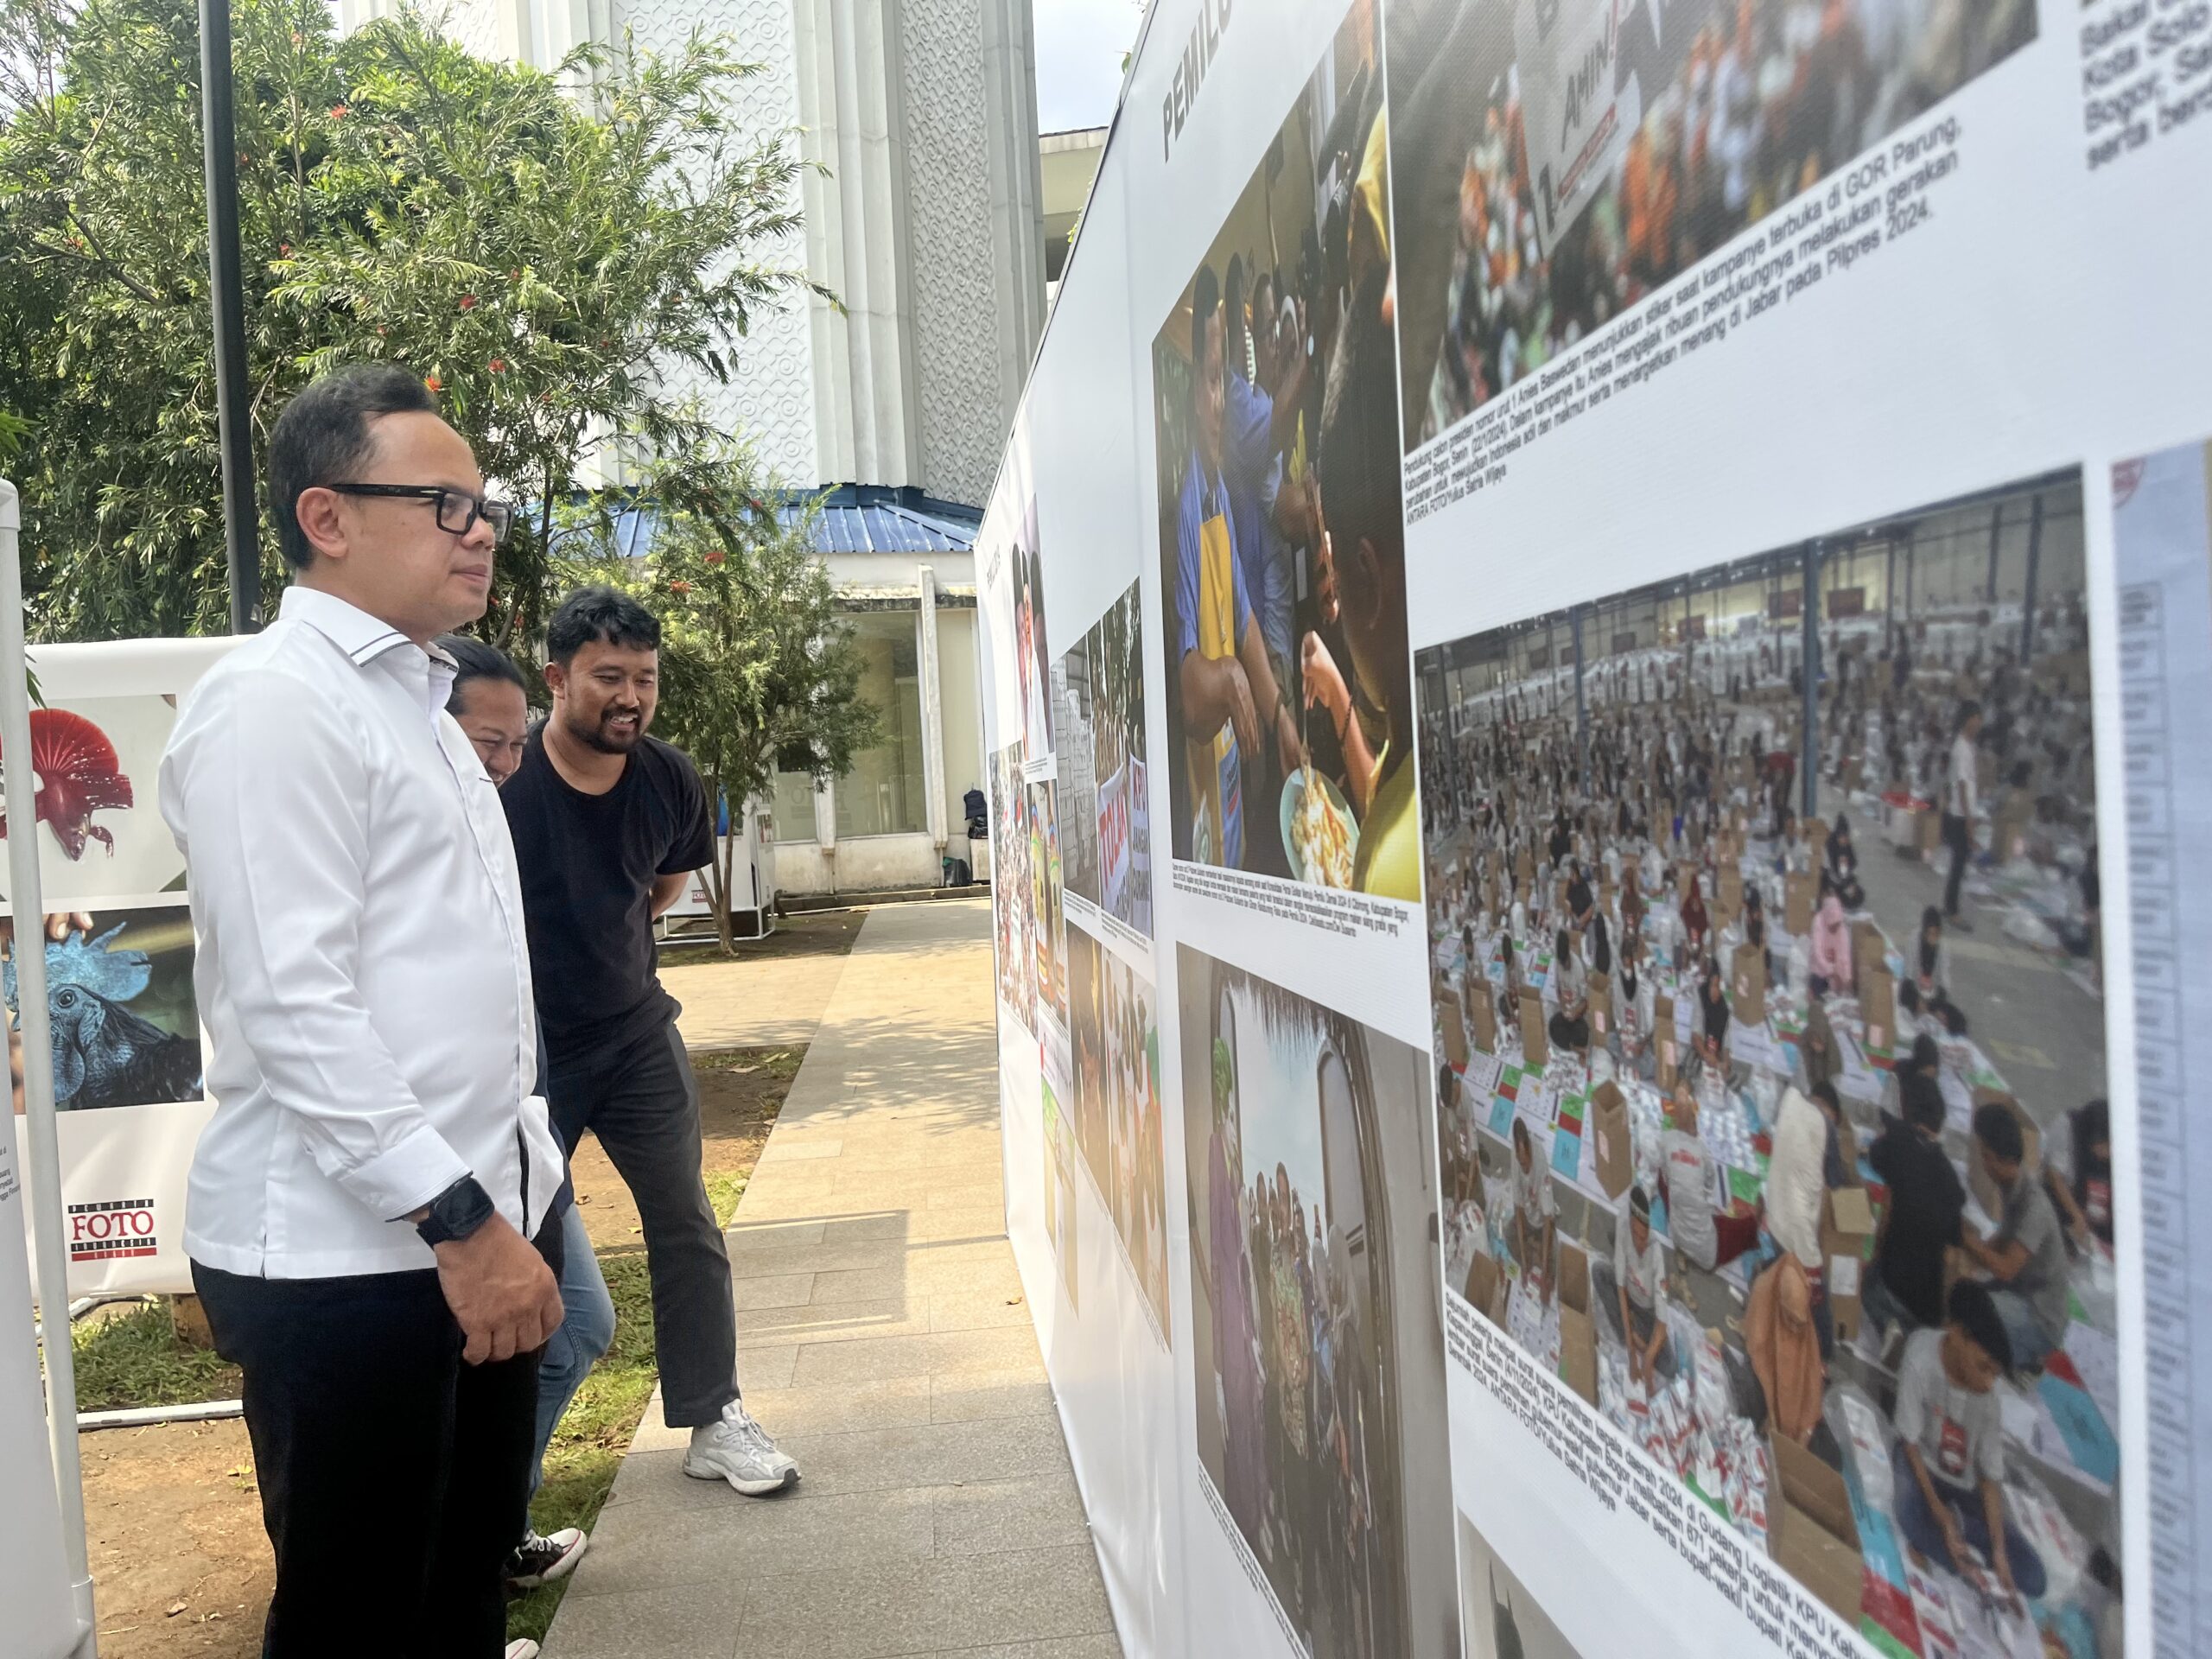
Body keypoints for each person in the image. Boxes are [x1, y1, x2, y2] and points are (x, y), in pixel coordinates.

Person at [161, 364, 567, 1659]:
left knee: (455, 1598)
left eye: (484, 503)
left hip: (470, 1234)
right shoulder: (277, 702)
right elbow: (296, 1008)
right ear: (326, 517)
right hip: (356, 1265)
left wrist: (509, 1206)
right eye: (444, 503)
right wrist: (460, 1224)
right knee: (357, 1618)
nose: (482, 529)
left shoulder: (426, 702)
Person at [502, 587, 798, 1494]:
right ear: (556, 680)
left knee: (686, 1222)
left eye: (645, 679)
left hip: (634, 1035)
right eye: (607, 678)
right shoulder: (506, 782)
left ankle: (713, 1418)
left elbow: (660, 889)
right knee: (523, 1247)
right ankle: (500, 1461)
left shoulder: (669, 777)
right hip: (523, 1057)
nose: (629, 696)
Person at [440, 638, 609, 1593]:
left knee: (576, 1325)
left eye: (513, 745)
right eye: (485, 742)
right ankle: (479, 1540)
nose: (504, 764)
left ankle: (492, 1529)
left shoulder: (496, 826)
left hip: (523, 1151)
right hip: (444, 1182)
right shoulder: (407, 842)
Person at [1177, 264, 1302, 874]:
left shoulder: (1217, 490)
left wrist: (1278, 714)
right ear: (1188, 393)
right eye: (1211, 379)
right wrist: (1224, 678)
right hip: (1202, 827)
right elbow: (1189, 693)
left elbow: (1245, 617)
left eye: (1225, 381)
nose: (1222, 400)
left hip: (1230, 809)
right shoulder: (1181, 503)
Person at [1301, 252, 1419, 901]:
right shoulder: (1409, 741)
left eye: (1339, 578)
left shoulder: (1390, 869)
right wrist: (1341, 695)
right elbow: (1382, 785)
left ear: (1366, 580)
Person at [1891, 1283, 2048, 1605]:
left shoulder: (1988, 1400)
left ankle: (1965, 1544)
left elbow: (1989, 1478)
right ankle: (1961, 1546)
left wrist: (2001, 1553)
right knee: (1910, 1513)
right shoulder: (1921, 1356)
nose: (1989, 1382)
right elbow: (1909, 1442)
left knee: (2033, 1577)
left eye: (1995, 1374)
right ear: (1957, 1335)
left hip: (1962, 1488)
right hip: (1919, 1465)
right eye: (1984, 1367)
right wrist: (1940, 1513)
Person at [1962, 1102, 2069, 1373]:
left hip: (2040, 1315)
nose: (1983, 1163)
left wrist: (1968, 1240)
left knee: (1973, 1321)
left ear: (2007, 1161)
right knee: (1965, 1294)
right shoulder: (2012, 1186)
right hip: (2019, 1292)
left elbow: (2006, 1269)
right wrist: (1970, 1258)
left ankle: (2025, 1357)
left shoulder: (2035, 1208)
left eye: (1987, 1156)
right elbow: (2002, 1239)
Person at [1864, 1071, 1966, 1342]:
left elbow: (1886, 1208)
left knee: (1864, 1283)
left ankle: (1888, 1325)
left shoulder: (1898, 1142)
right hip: (1928, 1310)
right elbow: (1952, 1258)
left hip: (1892, 1287)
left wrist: (1874, 1255)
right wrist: (1944, 1316)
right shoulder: (1952, 1182)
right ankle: (1913, 1337)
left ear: (1906, 1109)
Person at [1661, 1077, 1758, 1274]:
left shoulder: (1666, 1140)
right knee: (1744, 1226)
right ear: (1695, 1122)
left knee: (1664, 1180)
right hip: (1706, 1250)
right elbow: (1710, 1187)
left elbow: (1665, 1176)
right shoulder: (1702, 1150)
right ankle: (1756, 1220)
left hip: (1677, 1233)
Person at [1597, 1186, 1675, 1388]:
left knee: (1670, 1366)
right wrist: (1631, 1351)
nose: (1641, 1243)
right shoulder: (1623, 1224)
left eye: (1645, 1236)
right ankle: (1630, 1334)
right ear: (1631, 1225)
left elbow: (1662, 1321)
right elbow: (1621, 1288)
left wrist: (1647, 1360)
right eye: (1637, 1236)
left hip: (1646, 1309)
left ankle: (1635, 1333)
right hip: (1628, 1294)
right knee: (1598, 1272)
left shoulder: (1656, 1253)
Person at [1745, 1254, 1824, 1442]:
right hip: (1763, 1390)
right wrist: (1772, 1414)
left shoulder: (1804, 1327)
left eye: (1800, 1323)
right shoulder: (1765, 1294)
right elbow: (1760, 1358)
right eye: (1791, 1321)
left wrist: (1805, 1433)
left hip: (1792, 1418)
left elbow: (1812, 1384)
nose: (1796, 1329)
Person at [2044, 1097, 2113, 1251]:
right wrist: (2076, 1214)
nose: (2107, 1152)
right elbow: (2055, 1176)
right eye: (2104, 1145)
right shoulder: (2067, 1127)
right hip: (2060, 1202)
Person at [1942, 702, 1983, 930]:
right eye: (1975, 717)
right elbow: (1961, 786)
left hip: (1961, 812)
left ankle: (1950, 905)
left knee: (1958, 864)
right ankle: (1953, 910)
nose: (1978, 723)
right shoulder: (1961, 748)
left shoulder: (1967, 746)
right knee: (1959, 864)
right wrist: (1969, 820)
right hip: (1960, 814)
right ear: (1967, 719)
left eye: (1980, 718)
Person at [1508, 1117, 1556, 1305]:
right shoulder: (1515, 1158)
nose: (1524, 1167)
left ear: (1530, 1150)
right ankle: (1531, 1254)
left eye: (1526, 1163)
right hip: (1527, 1218)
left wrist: (1544, 1273)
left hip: (1541, 1221)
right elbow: (1518, 1210)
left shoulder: (1540, 1159)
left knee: (1554, 1262)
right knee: (1509, 1235)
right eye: (1521, 1163)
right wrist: (1524, 1261)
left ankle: (1537, 1255)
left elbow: (1547, 1219)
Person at [1807, 869, 1853, 998]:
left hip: (1836, 973)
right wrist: (1831, 971)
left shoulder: (1841, 929)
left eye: (1837, 926)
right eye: (1832, 926)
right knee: (1818, 997)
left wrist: (1847, 977)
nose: (1835, 929)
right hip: (1819, 970)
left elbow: (1845, 955)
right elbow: (1817, 952)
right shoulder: (1818, 922)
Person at [1548, 925, 1591, 1055]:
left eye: (1566, 962)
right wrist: (1563, 1007)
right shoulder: (1558, 964)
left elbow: (1585, 1002)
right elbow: (1559, 992)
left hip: (1578, 1015)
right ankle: (1573, 1047)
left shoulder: (1579, 967)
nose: (1564, 966)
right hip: (1565, 1012)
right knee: (1553, 1026)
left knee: (1583, 1034)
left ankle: (1573, 1046)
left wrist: (1575, 1012)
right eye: (1562, 963)